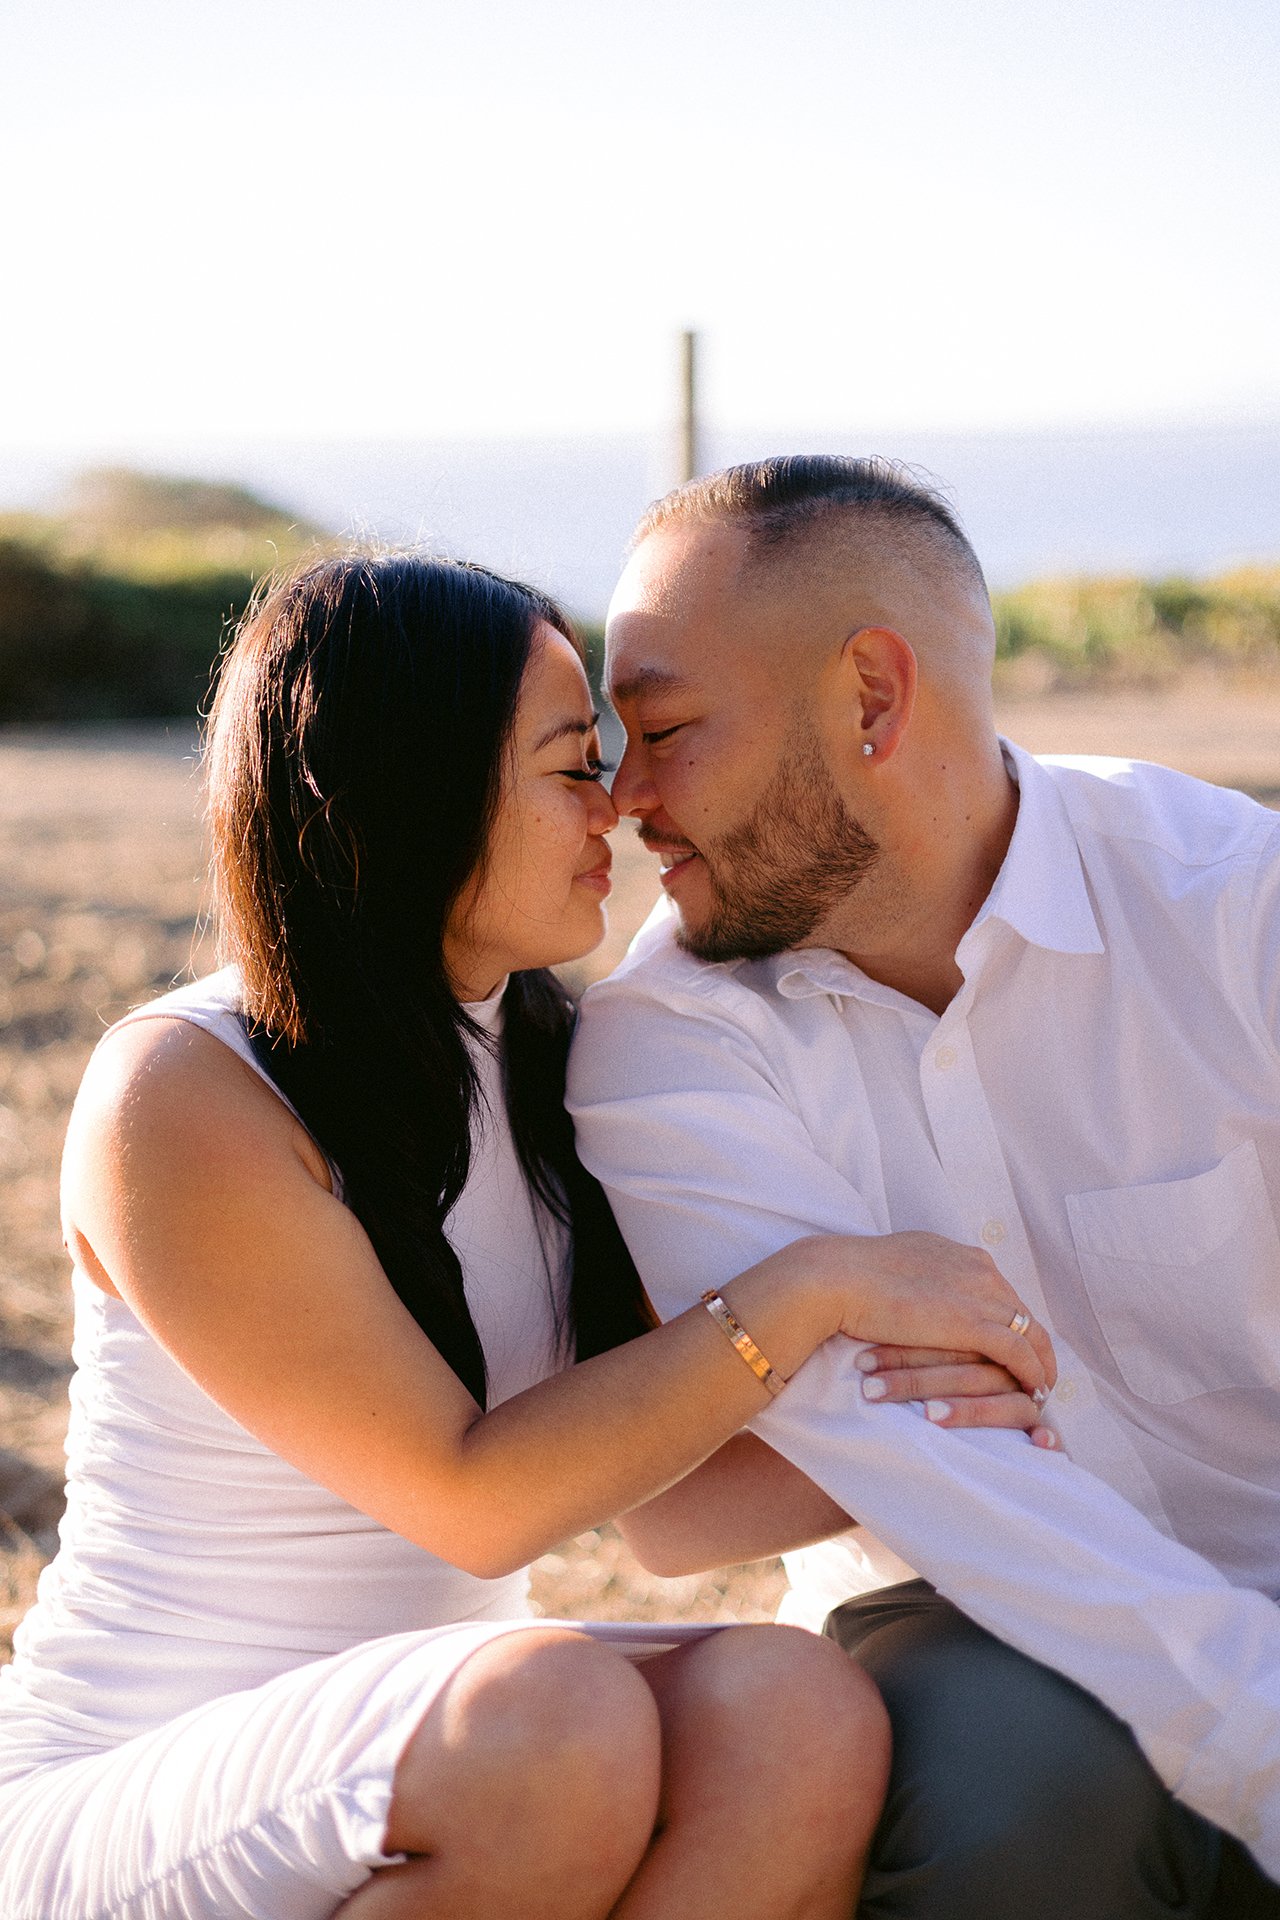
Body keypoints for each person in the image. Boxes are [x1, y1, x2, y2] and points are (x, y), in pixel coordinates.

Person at [0, 550, 1059, 1920]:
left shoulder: (558, 1054)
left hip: (463, 1735)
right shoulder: (189, 1091)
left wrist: (1007, 1410)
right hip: (144, 1787)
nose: (619, 803)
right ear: (413, 786)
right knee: (555, 1722)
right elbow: (477, 1503)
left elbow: (679, 1512)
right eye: (572, 763)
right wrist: (811, 1293)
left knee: (792, 1707)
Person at [567, 456, 1280, 1918]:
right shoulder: (666, 1043)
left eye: (666, 728)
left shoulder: (1236, 909)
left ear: (873, 700)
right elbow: (926, 1468)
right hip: (952, 1604)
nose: (625, 797)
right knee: (1012, 1808)